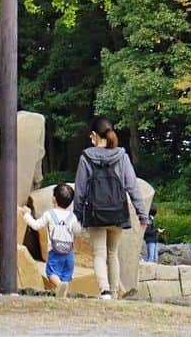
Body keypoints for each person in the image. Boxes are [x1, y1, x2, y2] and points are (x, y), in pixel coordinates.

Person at [72, 115, 149, 300]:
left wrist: (77, 215)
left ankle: (104, 290)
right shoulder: (122, 157)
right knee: (112, 253)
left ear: (94, 135)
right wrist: (142, 215)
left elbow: (80, 190)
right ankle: (114, 293)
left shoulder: (86, 158)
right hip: (117, 212)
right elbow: (132, 186)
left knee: (99, 253)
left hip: (96, 214)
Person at [23, 182, 81, 297]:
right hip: (68, 252)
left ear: (54, 199)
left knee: (51, 273)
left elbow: (36, 225)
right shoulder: (72, 217)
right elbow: (77, 231)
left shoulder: (49, 214)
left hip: (54, 251)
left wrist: (27, 215)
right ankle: (63, 295)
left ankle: (59, 285)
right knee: (66, 276)